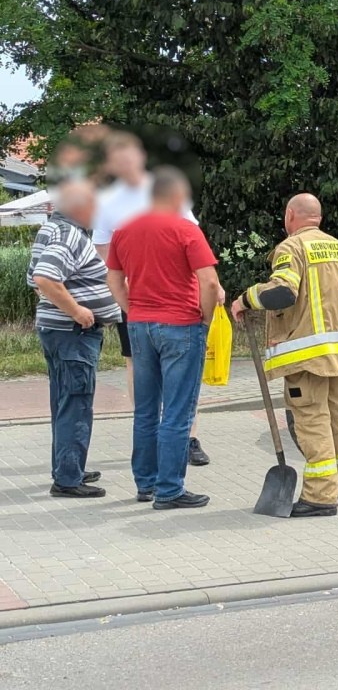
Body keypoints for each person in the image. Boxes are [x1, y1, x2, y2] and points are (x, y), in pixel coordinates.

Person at [230, 193, 338, 518]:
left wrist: (245, 299)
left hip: (307, 359)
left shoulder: (292, 248)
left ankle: (320, 496)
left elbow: (283, 293)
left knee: (313, 422)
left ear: (291, 215)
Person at [94, 131, 214, 467]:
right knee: (147, 376)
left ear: (141, 156)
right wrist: (132, 305)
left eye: (130, 155)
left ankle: (183, 441)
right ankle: (163, 469)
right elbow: (109, 263)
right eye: (118, 158)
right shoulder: (107, 203)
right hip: (140, 303)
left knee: (179, 382)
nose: (126, 163)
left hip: (168, 301)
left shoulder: (166, 189)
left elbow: (195, 247)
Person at [106, 167, 220, 510]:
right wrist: (206, 318)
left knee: (145, 410)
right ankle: (170, 490)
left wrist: (133, 309)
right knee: (177, 411)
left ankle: (146, 484)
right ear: (176, 197)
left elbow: (113, 280)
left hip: (139, 325)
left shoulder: (123, 231)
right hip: (181, 326)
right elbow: (211, 284)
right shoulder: (186, 229)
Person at [27, 180, 123, 499]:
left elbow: (34, 279)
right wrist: (77, 310)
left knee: (64, 400)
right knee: (76, 403)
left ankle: (69, 466)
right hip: (73, 333)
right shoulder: (68, 234)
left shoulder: (50, 230)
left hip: (56, 331)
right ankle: (68, 478)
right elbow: (44, 278)